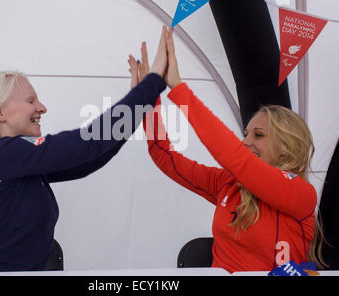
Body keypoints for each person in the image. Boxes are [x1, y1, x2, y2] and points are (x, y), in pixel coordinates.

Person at [0, 26, 170, 272]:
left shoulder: (15, 161)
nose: (42, 107)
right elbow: (86, 144)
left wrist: (139, 101)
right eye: (30, 101)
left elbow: (89, 157)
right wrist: (152, 83)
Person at [129, 27, 325, 273]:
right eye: (246, 134)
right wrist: (149, 98)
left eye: (259, 135)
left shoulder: (300, 193)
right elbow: (164, 156)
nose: (246, 142)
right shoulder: (227, 184)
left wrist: (179, 89)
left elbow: (237, 159)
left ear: (286, 149)